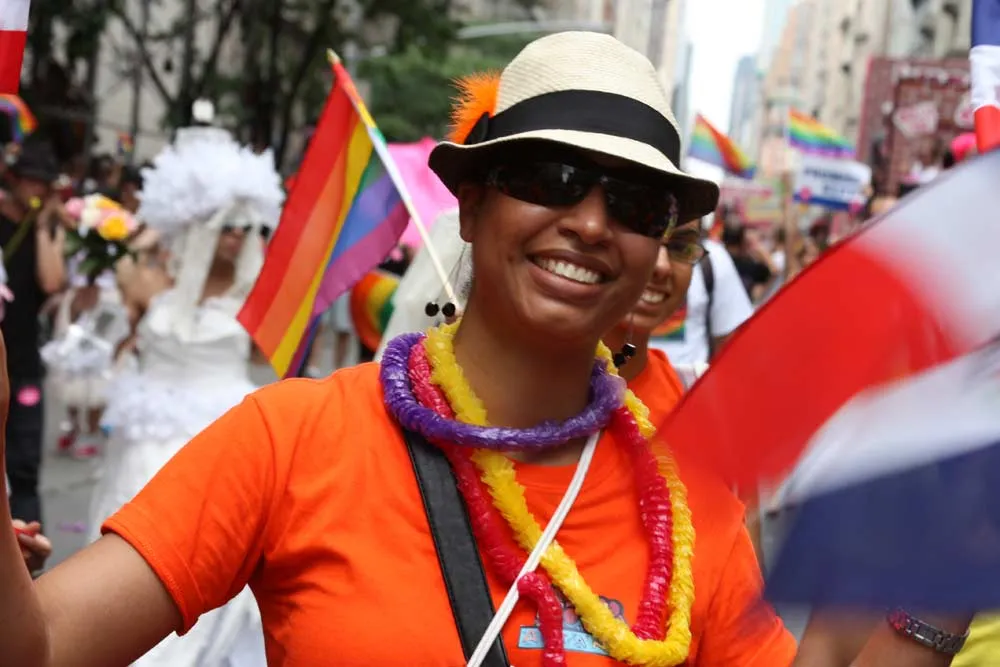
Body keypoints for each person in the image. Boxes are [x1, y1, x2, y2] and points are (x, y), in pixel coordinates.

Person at [0, 32, 969, 667]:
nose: (590, 222)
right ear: (470, 202)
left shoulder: (686, 505)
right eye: (552, 176)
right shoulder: (292, 438)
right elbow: (38, 648)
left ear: (658, 250)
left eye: (635, 202)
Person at [85, 113, 282, 666]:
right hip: (145, 432)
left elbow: (272, 359)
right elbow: (117, 298)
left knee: (200, 550)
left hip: (218, 433)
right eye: (225, 223)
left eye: (246, 225)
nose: (237, 235)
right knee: (128, 539)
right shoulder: (147, 280)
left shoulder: (257, 300)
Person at [0, 138, 67, 525]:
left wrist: (42, 228)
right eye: (30, 180)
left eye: (43, 183)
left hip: (24, 366)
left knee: (24, 464)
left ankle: (26, 547)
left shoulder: (47, 230)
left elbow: (52, 282)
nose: (36, 189)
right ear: (14, 179)